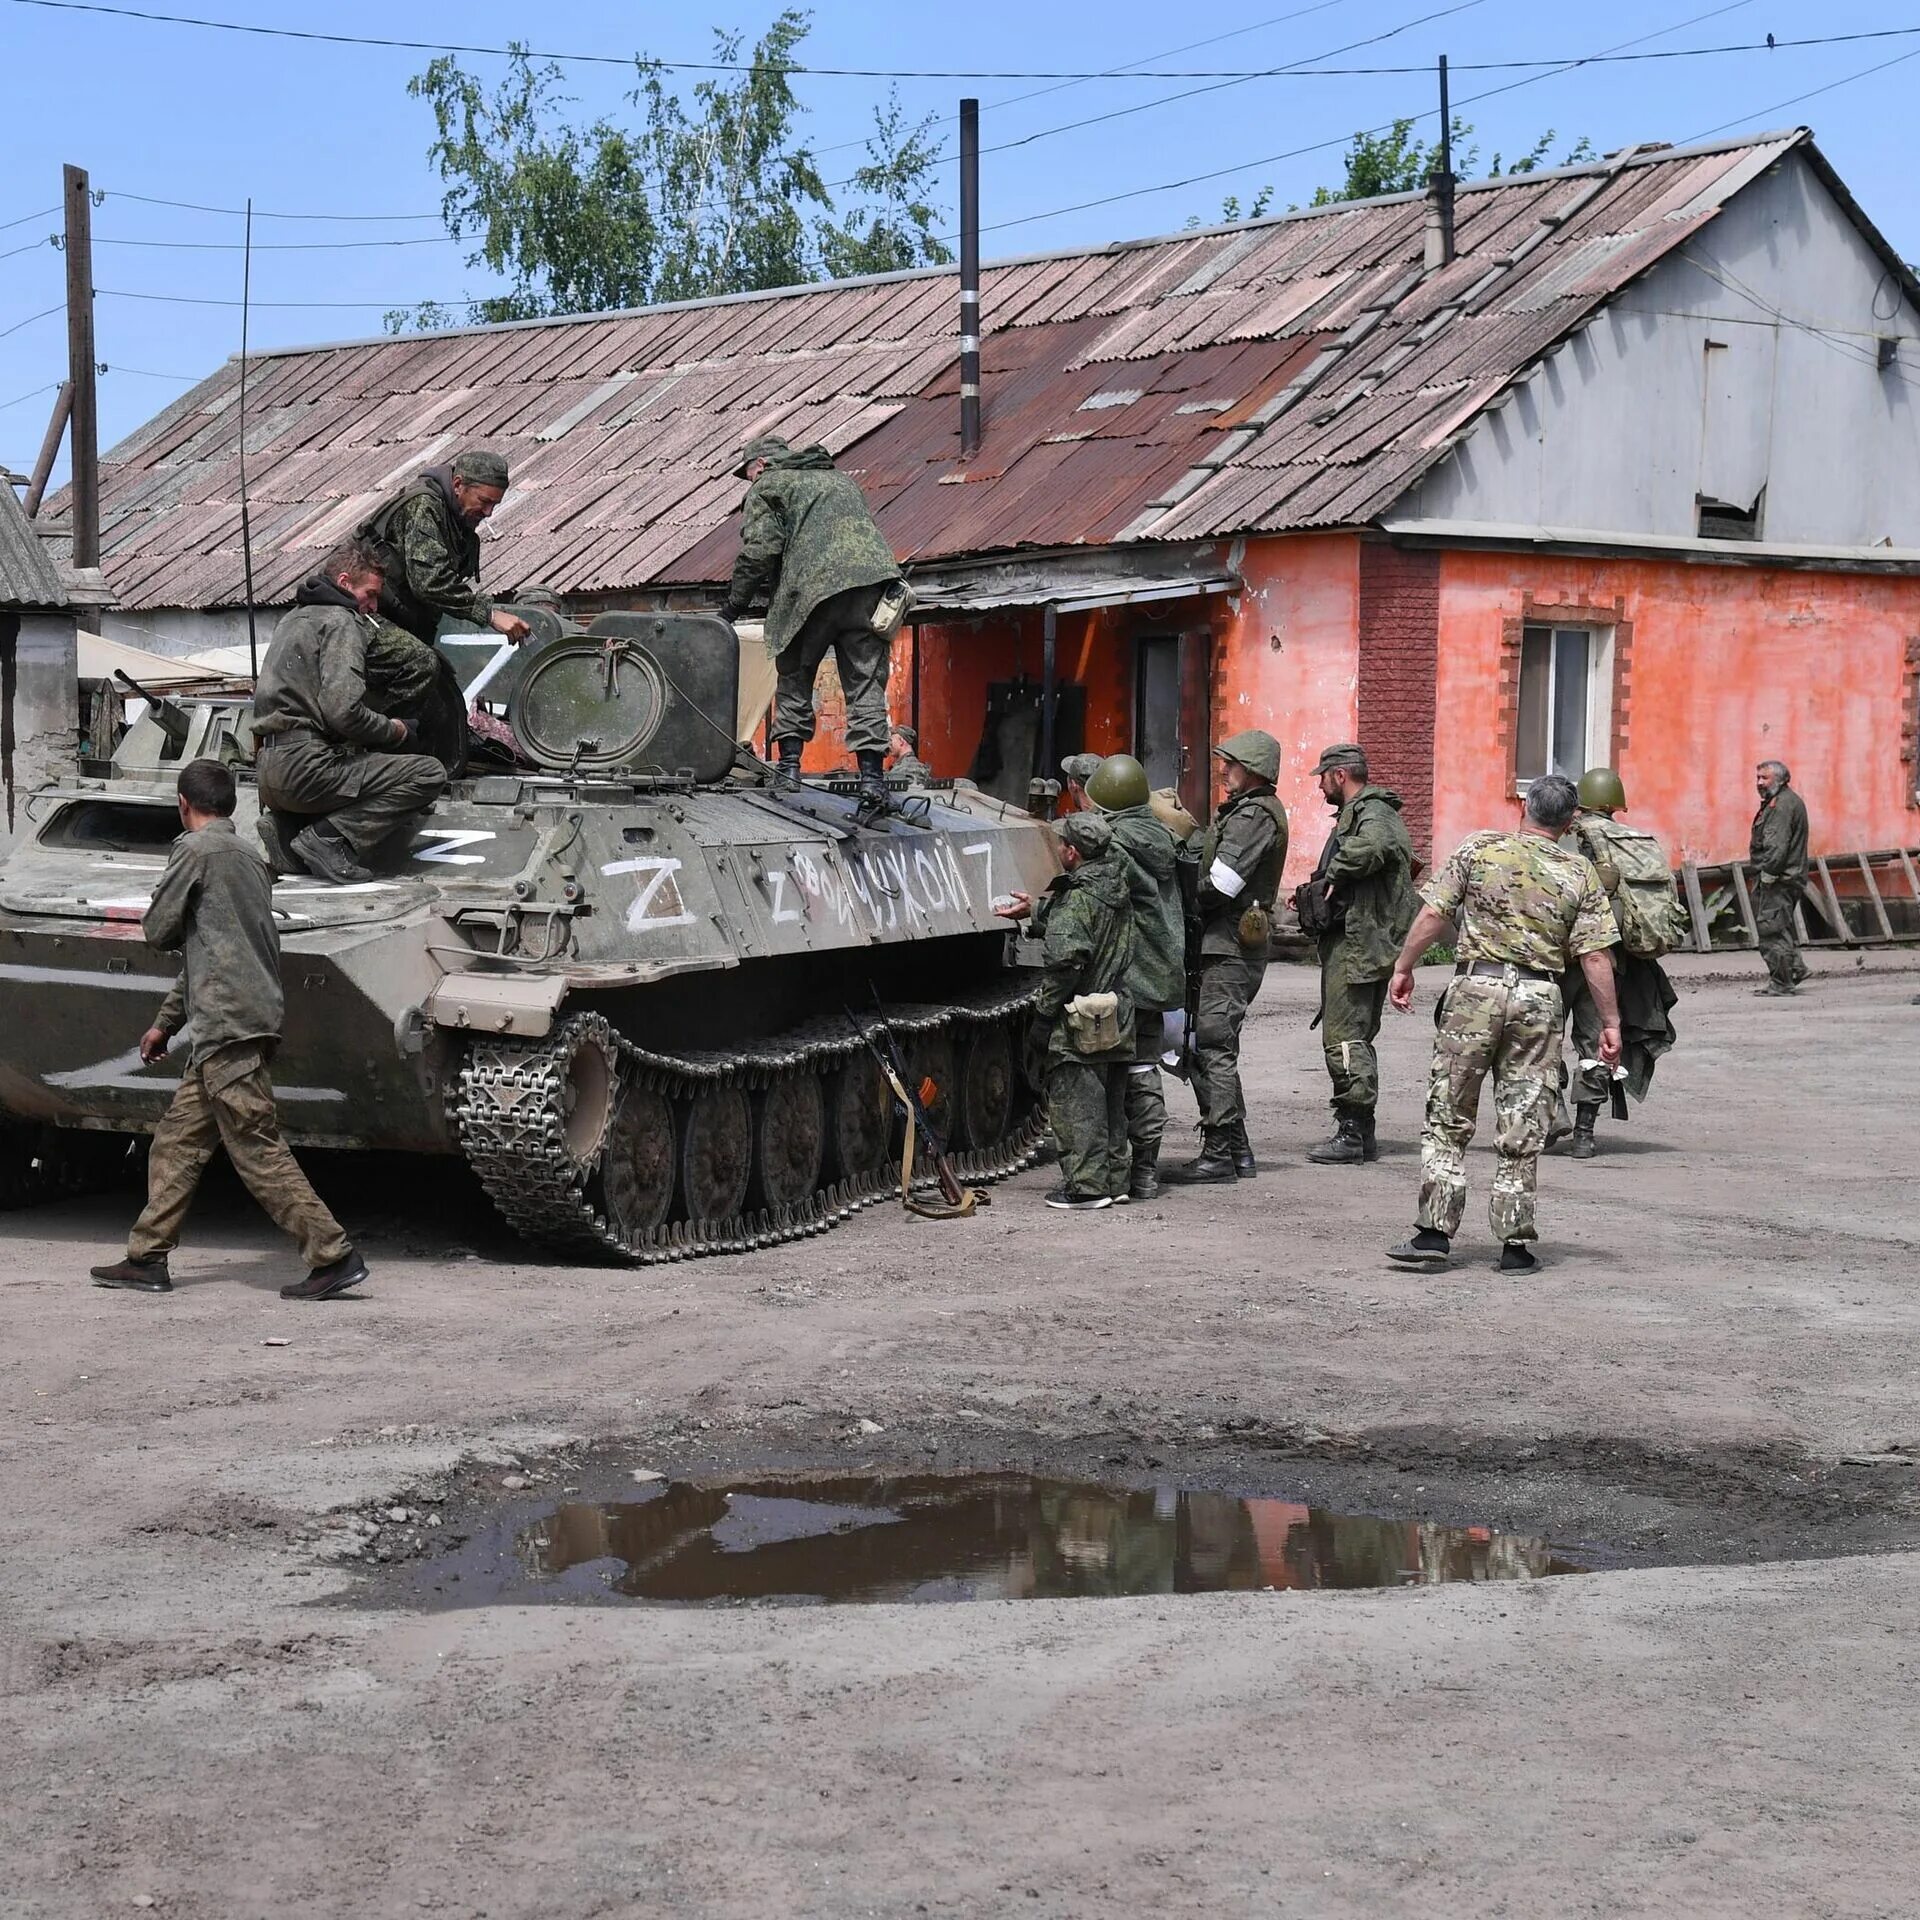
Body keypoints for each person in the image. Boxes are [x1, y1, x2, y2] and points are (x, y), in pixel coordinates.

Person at [87, 760, 370, 1302]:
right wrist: (165, 1024)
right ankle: (146, 1256)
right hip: (237, 1019)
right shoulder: (251, 859)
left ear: (182, 803)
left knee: (257, 1149)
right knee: (175, 1142)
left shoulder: (193, 851)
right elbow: (215, 952)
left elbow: (161, 930)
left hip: (227, 1026)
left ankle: (333, 1254)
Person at [1385, 773, 1621, 1275]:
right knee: (1525, 1116)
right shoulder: (1580, 873)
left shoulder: (1479, 849)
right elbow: (1596, 956)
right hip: (1540, 997)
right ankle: (1514, 1245)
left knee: (1449, 1110)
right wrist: (1610, 1023)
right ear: (1570, 820)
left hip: (1476, 989)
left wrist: (1404, 967)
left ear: (1524, 806)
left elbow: (1432, 915)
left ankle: (1433, 1234)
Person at [718, 434, 907, 809]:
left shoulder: (769, 485)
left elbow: (760, 550)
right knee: (866, 684)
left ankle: (789, 770)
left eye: (749, 473)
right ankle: (872, 779)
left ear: (761, 465)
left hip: (809, 591)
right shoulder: (841, 480)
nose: (751, 479)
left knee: (795, 675)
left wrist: (732, 609)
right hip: (871, 588)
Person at [251, 540, 449, 885]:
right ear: (344, 583)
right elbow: (343, 712)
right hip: (307, 768)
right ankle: (328, 839)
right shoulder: (341, 622)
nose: (373, 607)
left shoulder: (293, 619)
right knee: (428, 772)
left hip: (269, 773)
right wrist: (396, 730)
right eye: (370, 595)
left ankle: (287, 827)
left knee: (350, 765)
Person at [1163, 730, 1288, 1185]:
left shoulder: (1255, 815)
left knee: (1213, 1044)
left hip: (1230, 947)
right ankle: (1237, 1151)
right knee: (1210, 1043)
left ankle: (1219, 1154)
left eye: (1231, 764)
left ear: (1253, 770)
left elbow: (1222, 884)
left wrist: (1179, 904)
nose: (1223, 770)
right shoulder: (1245, 812)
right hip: (1223, 944)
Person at [356, 448, 531, 764]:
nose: (489, 512)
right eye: (484, 501)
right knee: (420, 664)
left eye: (495, 504)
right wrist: (489, 613)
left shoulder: (455, 520)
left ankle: (416, 758)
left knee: (441, 688)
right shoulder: (424, 506)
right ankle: (379, 754)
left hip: (396, 619)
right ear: (459, 484)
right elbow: (429, 582)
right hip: (360, 614)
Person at [1293, 743, 1419, 1167]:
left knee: (1344, 1038)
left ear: (1340, 775)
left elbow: (1376, 847)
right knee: (1352, 1035)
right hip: (1353, 938)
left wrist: (1336, 872)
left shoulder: (1374, 813)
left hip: (1360, 943)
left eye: (1323, 778)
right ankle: (1360, 1132)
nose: (1321, 787)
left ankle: (1351, 1131)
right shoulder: (1361, 813)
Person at [1557, 768, 1683, 1159]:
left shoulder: (1567, 839)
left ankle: (1552, 1112)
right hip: (1609, 962)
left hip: (1560, 960)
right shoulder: (1636, 844)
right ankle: (1584, 1134)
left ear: (1580, 804)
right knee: (1596, 1044)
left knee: (1540, 1039)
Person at [1020, 811, 1135, 1211]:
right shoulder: (1115, 886)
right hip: (1116, 1011)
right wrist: (1035, 912)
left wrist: (1044, 1017)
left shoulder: (1079, 898)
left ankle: (1086, 1187)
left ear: (1073, 852)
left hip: (1079, 1016)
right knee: (1112, 1103)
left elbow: (1066, 960)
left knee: (1076, 1101)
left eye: (1061, 845)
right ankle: (1117, 1180)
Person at [1086, 753, 1186, 1201]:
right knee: (1145, 1067)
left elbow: (1098, 899)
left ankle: (1112, 1170)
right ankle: (1146, 1171)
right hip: (1159, 972)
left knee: (1109, 1072)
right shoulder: (1162, 835)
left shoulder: (1116, 845)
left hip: (1125, 973)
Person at [1750, 758, 1810, 996]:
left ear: (1782, 779)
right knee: (1778, 925)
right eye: (1758, 778)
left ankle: (1781, 982)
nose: (1760, 783)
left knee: (1770, 930)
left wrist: (1768, 873)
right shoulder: (1784, 801)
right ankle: (1795, 968)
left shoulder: (1781, 806)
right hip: (1788, 876)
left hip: (1780, 878)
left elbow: (1777, 846)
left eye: (1765, 778)